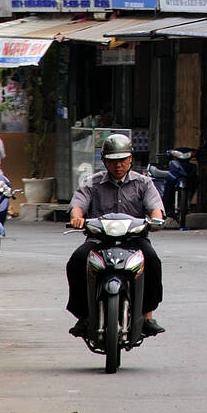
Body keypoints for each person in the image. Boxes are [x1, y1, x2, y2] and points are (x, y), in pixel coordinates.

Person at [67, 133, 166, 338]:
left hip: (134, 239)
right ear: (104, 161)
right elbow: (78, 205)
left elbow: (156, 209)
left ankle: (147, 316)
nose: (118, 165)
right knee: (76, 260)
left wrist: (156, 219)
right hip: (98, 239)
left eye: (122, 160)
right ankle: (83, 316)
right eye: (112, 161)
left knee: (153, 261)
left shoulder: (144, 183)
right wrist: (77, 217)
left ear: (131, 159)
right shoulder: (91, 183)